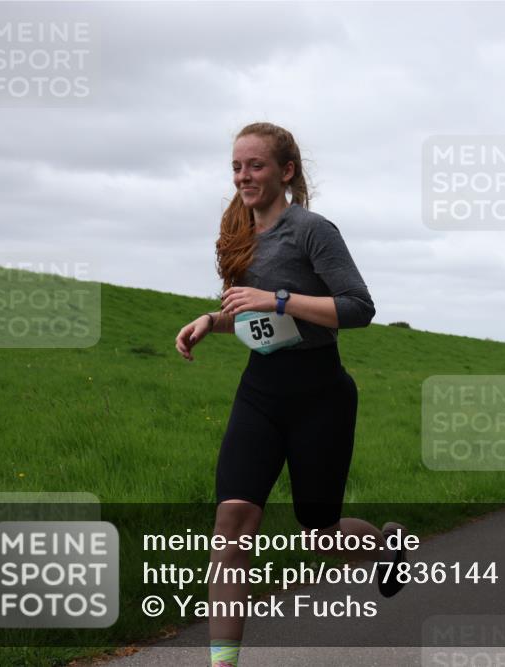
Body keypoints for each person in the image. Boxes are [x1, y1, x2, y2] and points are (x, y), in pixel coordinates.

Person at [174, 123, 407, 667]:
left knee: (321, 537)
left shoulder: (313, 230)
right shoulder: (236, 232)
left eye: (254, 165)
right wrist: (212, 320)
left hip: (320, 393)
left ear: (286, 171)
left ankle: (385, 545)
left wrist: (279, 298)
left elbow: (357, 309)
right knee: (232, 523)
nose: (243, 176)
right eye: (236, 166)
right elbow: (247, 314)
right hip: (260, 390)